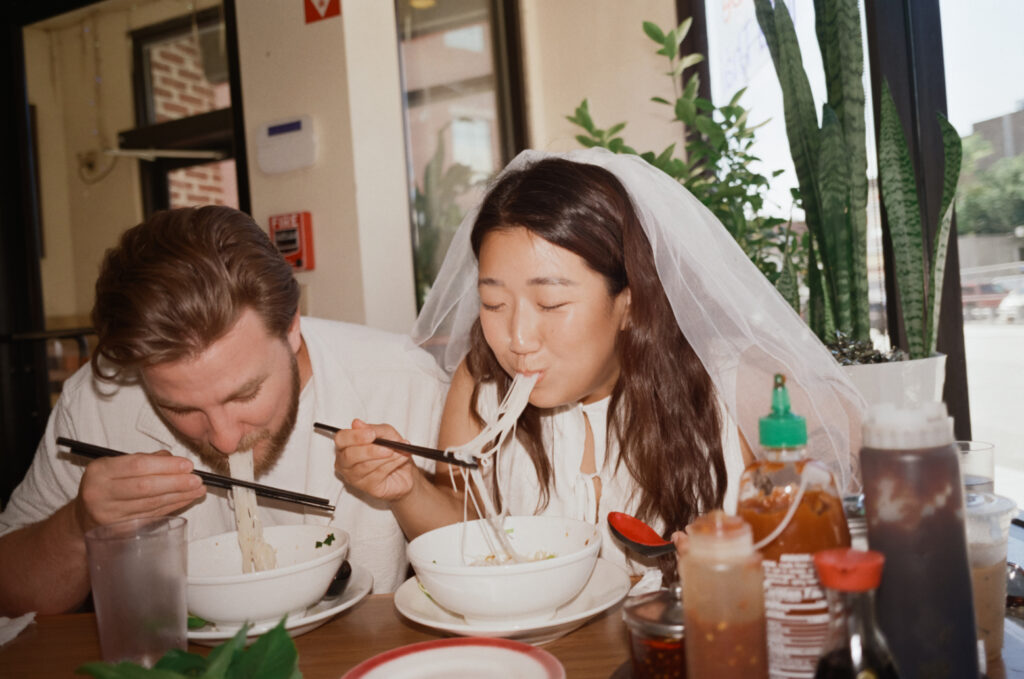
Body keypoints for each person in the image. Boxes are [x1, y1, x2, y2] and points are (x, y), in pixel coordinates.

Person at [333, 148, 865, 581]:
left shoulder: (731, 381)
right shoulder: (484, 381)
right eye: (494, 304)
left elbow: (831, 535)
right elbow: (461, 539)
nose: (516, 339)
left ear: (629, 301)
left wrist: (739, 561)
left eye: (550, 305)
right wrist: (408, 488)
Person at [0, 206, 446, 616]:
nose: (225, 439)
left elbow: (483, 554)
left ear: (291, 328)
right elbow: (11, 595)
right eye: (178, 407)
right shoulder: (99, 399)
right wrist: (80, 524)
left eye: (244, 394)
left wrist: (411, 492)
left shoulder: (402, 383)